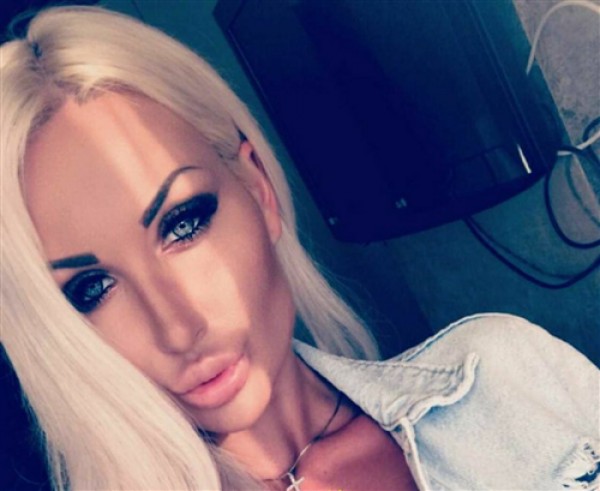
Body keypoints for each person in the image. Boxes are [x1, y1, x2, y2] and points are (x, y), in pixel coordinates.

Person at [0, 6, 598, 491]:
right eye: (92, 289)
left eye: (183, 224)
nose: (178, 327)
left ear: (258, 187)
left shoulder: (505, 376)